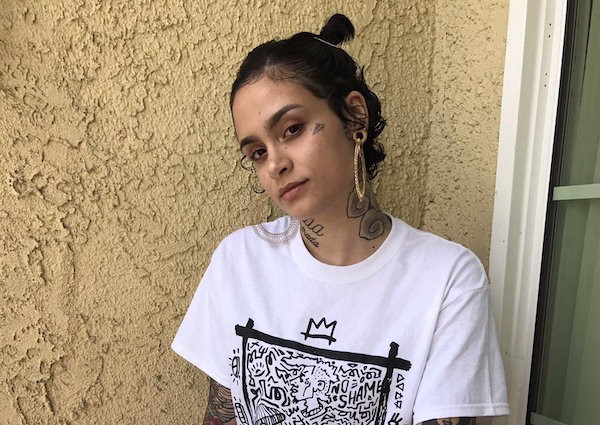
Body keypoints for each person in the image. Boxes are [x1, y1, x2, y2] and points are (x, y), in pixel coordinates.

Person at [172, 14, 509, 425]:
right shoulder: (239, 260)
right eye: (257, 152)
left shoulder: (447, 279)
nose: (275, 164)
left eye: (292, 129)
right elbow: (221, 414)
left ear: (355, 117)